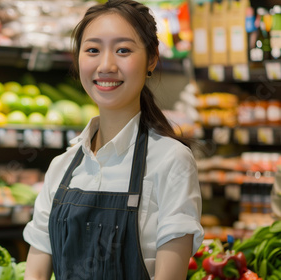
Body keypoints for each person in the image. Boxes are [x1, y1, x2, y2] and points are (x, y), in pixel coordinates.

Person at [22, 0, 204, 279]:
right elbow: (35, 274)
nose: (106, 65)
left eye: (123, 50)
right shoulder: (62, 167)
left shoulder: (171, 161)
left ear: (152, 58)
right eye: (92, 50)